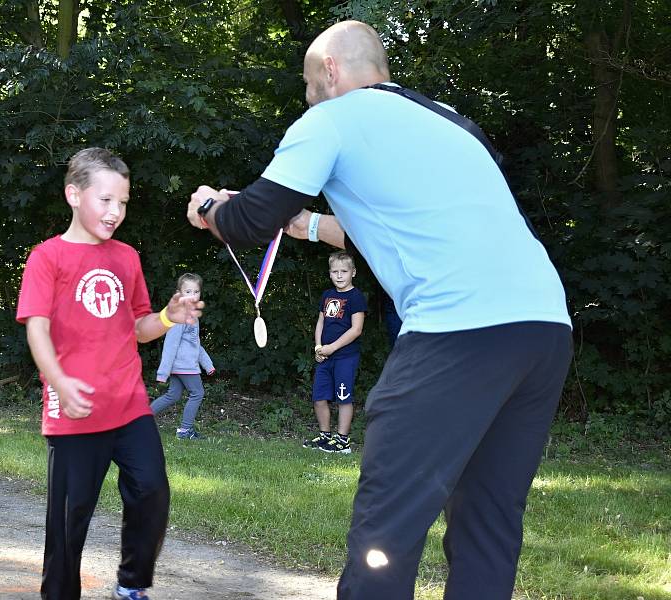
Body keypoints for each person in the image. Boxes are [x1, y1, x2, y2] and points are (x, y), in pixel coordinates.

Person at [185, 20, 572, 600]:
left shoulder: (332, 119)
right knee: (489, 519)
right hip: (544, 330)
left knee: (388, 520)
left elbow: (243, 223)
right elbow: (403, 227)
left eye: (310, 85)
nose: (308, 99)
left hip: (458, 333)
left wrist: (210, 206)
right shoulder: (446, 120)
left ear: (332, 71)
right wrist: (309, 225)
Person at [16, 147, 203, 600]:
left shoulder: (126, 257)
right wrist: (59, 381)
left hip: (128, 403)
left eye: (123, 201)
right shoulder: (48, 258)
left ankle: (131, 585)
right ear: (73, 196)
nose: (115, 211)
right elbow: (36, 330)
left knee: (152, 491)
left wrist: (167, 317)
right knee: (69, 518)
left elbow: (138, 328)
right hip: (75, 408)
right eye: (105, 200)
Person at [302, 251, 366, 454]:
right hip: (325, 357)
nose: (339, 275)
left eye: (344, 271)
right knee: (319, 397)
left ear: (353, 272)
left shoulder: (356, 297)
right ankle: (325, 436)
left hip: (345, 357)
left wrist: (333, 347)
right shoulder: (327, 295)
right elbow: (321, 322)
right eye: (335, 271)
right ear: (329, 273)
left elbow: (356, 330)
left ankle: (342, 441)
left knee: (343, 397)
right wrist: (319, 348)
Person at [151, 272, 215, 440]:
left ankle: (143, 420)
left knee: (173, 395)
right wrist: (163, 372)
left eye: (196, 292)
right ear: (179, 294)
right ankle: (185, 431)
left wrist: (207, 364)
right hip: (184, 366)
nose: (192, 296)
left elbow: (195, 344)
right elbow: (170, 344)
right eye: (188, 292)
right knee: (197, 393)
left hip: (182, 366)